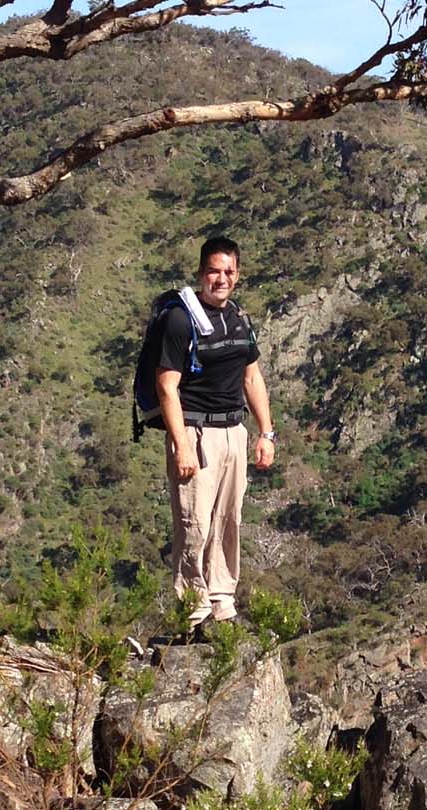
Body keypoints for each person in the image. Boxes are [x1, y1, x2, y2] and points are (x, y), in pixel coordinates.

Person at [152, 236, 276, 630]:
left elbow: (252, 377)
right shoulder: (180, 320)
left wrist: (265, 433)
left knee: (228, 519)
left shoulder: (239, 317)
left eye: (228, 272)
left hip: (232, 432)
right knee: (194, 523)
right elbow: (166, 386)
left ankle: (222, 600)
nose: (220, 279)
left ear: (237, 275)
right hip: (195, 432)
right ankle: (193, 610)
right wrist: (182, 445)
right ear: (201, 272)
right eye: (213, 271)